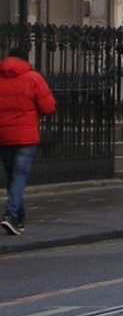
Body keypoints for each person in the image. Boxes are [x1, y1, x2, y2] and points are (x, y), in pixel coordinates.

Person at [0, 54, 56, 235]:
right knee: (20, 175)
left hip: (3, 134)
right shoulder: (33, 78)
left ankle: (18, 219)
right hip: (26, 136)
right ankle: (10, 213)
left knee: (12, 176)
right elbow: (48, 107)